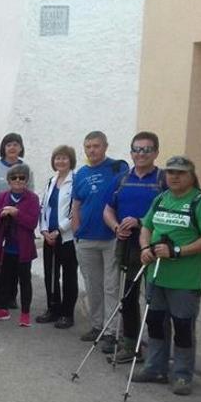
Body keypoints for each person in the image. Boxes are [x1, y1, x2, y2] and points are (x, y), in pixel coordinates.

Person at [133, 156, 201, 396]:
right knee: (155, 324)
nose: (174, 176)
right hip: (156, 275)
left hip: (184, 280)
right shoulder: (161, 199)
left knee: (183, 327)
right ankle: (155, 368)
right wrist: (144, 248)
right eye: (170, 172)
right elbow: (146, 227)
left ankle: (182, 375)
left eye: (180, 173)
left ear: (191, 176)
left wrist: (178, 251)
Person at [103, 131, 166, 362]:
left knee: (156, 300)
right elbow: (108, 209)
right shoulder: (121, 179)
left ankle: (160, 353)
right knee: (128, 297)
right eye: (136, 150)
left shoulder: (163, 180)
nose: (141, 154)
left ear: (156, 152)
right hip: (129, 246)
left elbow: (170, 211)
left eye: (146, 150)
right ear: (131, 152)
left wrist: (141, 221)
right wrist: (115, 226)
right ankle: (131, 346)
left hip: (156, 247)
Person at [71, 131, 130, 347]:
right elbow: (76, 204)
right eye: (88, 147)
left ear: (105, 146)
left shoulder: (118, 168)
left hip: (111, 238)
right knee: (93, 285)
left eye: (96, 146)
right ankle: (97, 325)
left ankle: (111, 331)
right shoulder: (81, 174)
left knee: (111, 286)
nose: (92, 150)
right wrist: (76, 230)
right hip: (86, 238)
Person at [0, 164, 40, 326]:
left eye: (22, 178)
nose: (18, 180)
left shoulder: (32, 198)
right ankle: (2, 309)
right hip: (5, 246)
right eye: (14, 178)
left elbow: (32, 223)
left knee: (24, 280)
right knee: (4, 279)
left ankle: (25, 313)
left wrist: (17, 214)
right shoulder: (2, 197)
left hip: (23, 248)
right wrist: (1, 213)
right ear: (9, 181)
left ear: (26, 180)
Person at [36, 145, 78, 329]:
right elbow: (45, 208)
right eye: (57, 158)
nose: (60, 161)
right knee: (50, 275)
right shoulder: (51, 181)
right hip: (49, 236)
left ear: (71, 161)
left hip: (67, 237)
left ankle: (67, 314)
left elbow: (74, 212)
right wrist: (44, 230)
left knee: (68, 276)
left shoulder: (75, 181)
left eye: (64, 158)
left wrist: (59, 230)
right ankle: (53, 308)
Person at [0, 132, 34, 203]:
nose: (12, 148)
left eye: (15, 145)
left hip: (21, 210)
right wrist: (1, 207)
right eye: (8, 145)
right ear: (4, 148)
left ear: (20, 148)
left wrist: (18, 209)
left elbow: (30, 191)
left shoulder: (26, 168)